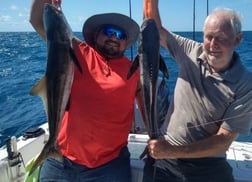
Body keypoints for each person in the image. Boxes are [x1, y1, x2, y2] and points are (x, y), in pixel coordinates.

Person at [29, 0, 141, 181]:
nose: (113, 37)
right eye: (108, 32)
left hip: (110, 166)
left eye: (119, 34)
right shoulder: (77, 51)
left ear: (126, 42)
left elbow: (146, 103)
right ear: (96, 36)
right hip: (61, 161)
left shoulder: (135, 71)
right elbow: (36, 20)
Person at [142, 0, 252, 182]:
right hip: (165, 160)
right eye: (209, 37)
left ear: (238, 39)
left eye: (221, 38)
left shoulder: (245, 83)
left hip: (207, 164)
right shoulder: (191, 51)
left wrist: (170, 151)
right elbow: (155, 31)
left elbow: (223, 141)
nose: (212, 44)